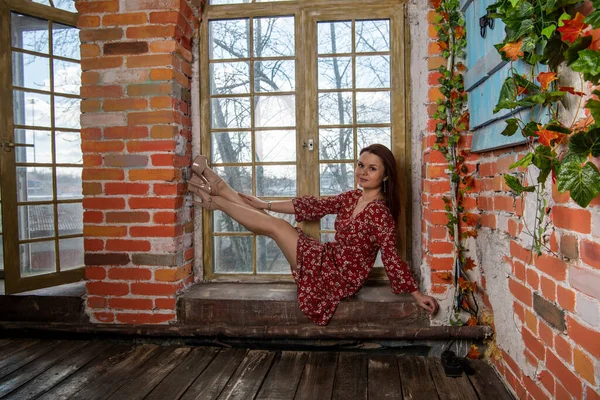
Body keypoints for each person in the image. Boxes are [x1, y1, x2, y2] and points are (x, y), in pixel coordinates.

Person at [187, 144, 439, 326]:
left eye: (372, 169)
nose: (363, 172)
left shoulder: (380, 214)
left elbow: (392, 257)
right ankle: (215, 188)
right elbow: (312, 206)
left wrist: (416, 294)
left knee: (277, 228)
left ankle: (215, 196)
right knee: (274, 222)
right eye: (361, 165)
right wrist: (265, 203)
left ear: (385, 176)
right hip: (328, 260)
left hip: (340, 279)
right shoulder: (351, 198)